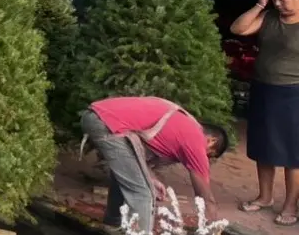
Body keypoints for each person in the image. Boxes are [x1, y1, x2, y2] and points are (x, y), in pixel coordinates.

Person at [80, 96, 229, 233]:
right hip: (106, 122)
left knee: (129, 178)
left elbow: (134, 157)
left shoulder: (184, 123)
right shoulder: (197, 140)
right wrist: (214, 228)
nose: (206, 158)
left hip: (98, 115)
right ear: (212, 141)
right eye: (210, 154)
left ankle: (112, 224)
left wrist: (151, 178)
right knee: (143, 194)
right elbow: (205, 198)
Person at [232, 0, 299, 225]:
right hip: (263, 89)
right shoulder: (268, 17)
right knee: (264, 147)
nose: (278, 4)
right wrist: (260, 6)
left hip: (293, 93)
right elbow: (238, 29)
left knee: (293, 154)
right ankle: (265, 197)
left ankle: (290, 204)